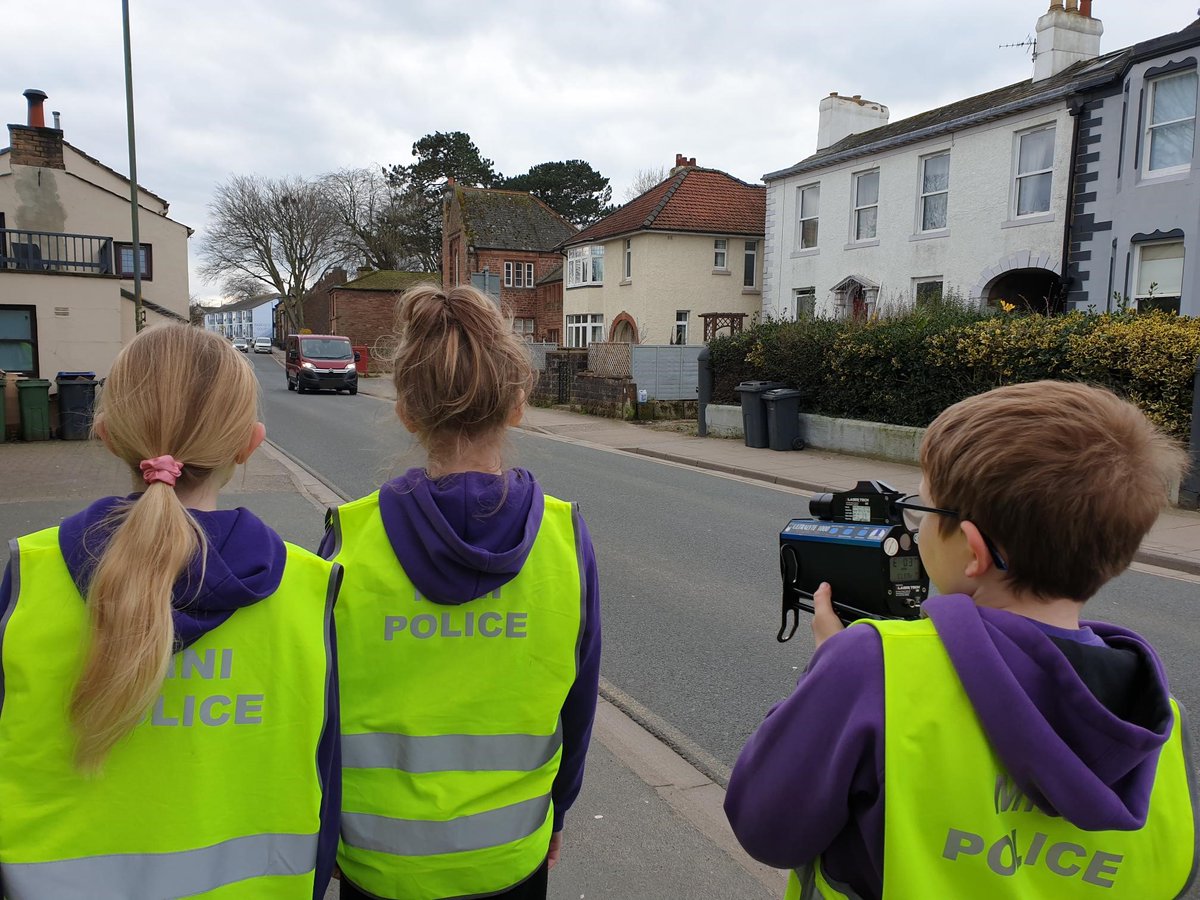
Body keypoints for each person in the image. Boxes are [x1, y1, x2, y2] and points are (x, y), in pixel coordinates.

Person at [725, 380, 1197, 898]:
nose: (915, 526)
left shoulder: (869, 665)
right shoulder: (1163, 727)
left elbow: (765, 828)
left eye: (922, 511)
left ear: (973, 550)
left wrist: (832, 663)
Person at [0, 324, 341, 900]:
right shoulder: (308, 587)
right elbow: (325, 772)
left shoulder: (28, 577)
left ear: (106, 435)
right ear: (249, 444)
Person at [323, 284, 601, 900]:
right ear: (518, 405)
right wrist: (559, 808)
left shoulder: (350, 540)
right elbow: (578, 707)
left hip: (378, 861)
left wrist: (324, 836)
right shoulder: (564, 537)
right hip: (511, 855)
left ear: (406, 412)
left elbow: (319, 711)